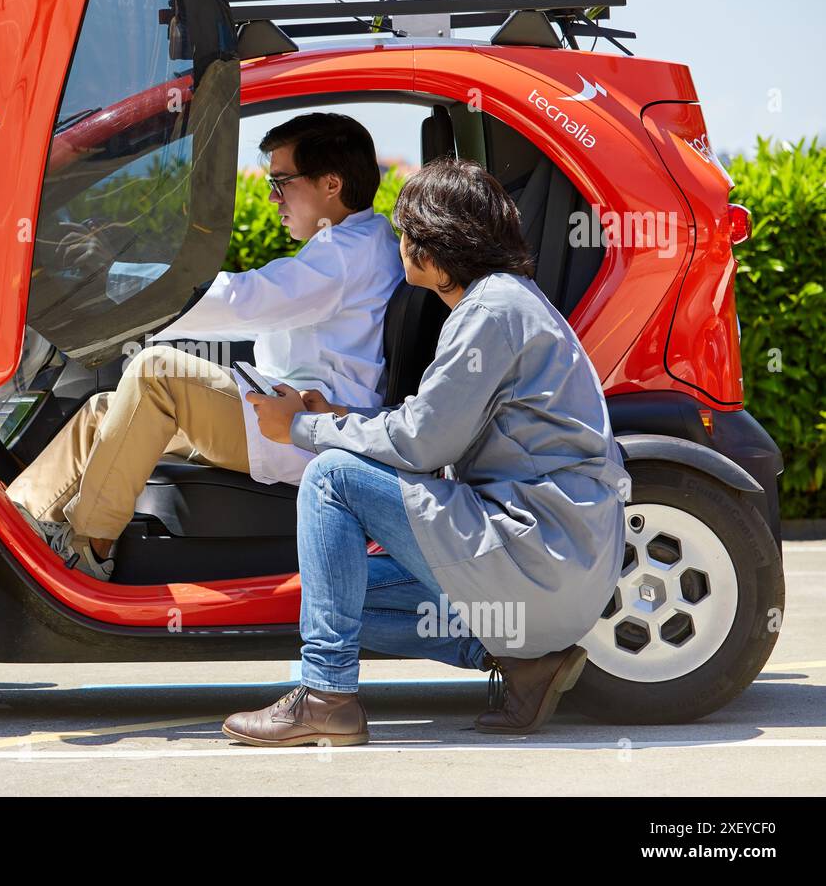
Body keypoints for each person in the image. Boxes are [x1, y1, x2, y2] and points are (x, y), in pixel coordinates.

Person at [222, 156, 630, 744]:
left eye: (406, 231)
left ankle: (326, 696)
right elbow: (433, 428)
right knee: (333, 594)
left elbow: (421, 442)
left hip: (533, 556)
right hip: (552, 577)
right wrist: (337, 416)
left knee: (330, 477)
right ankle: (526, 663)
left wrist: (303, 431)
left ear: (437, 246)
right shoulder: (508, 302)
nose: (399, 244)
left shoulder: (490, 312)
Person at [6, 112, 404, 580]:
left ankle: (88, 547)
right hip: (289, 408)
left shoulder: (343, 256)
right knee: (105, 410)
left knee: (155, 373)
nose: (272, 196)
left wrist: (118, 279)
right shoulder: (357, 239)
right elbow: (252, 305)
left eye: (281, 181)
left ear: (331, 183)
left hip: (302, 428)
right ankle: (15, 528)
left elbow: (244, 300)